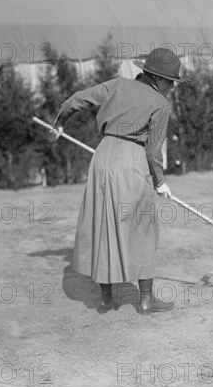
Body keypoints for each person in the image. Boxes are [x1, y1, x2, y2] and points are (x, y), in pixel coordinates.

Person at [53, 48, 183, 314]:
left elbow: (74, 101)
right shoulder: (160, 104)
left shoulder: (117, 85)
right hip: (132, 162)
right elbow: (152, 150)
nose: (171, 86)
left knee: (104, 224)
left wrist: (59, 125)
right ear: (157, 79)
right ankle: (145, 301)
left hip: (102, 158)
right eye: (170, 81)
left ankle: (106, 299)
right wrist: (160, 182)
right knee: (144, 226)